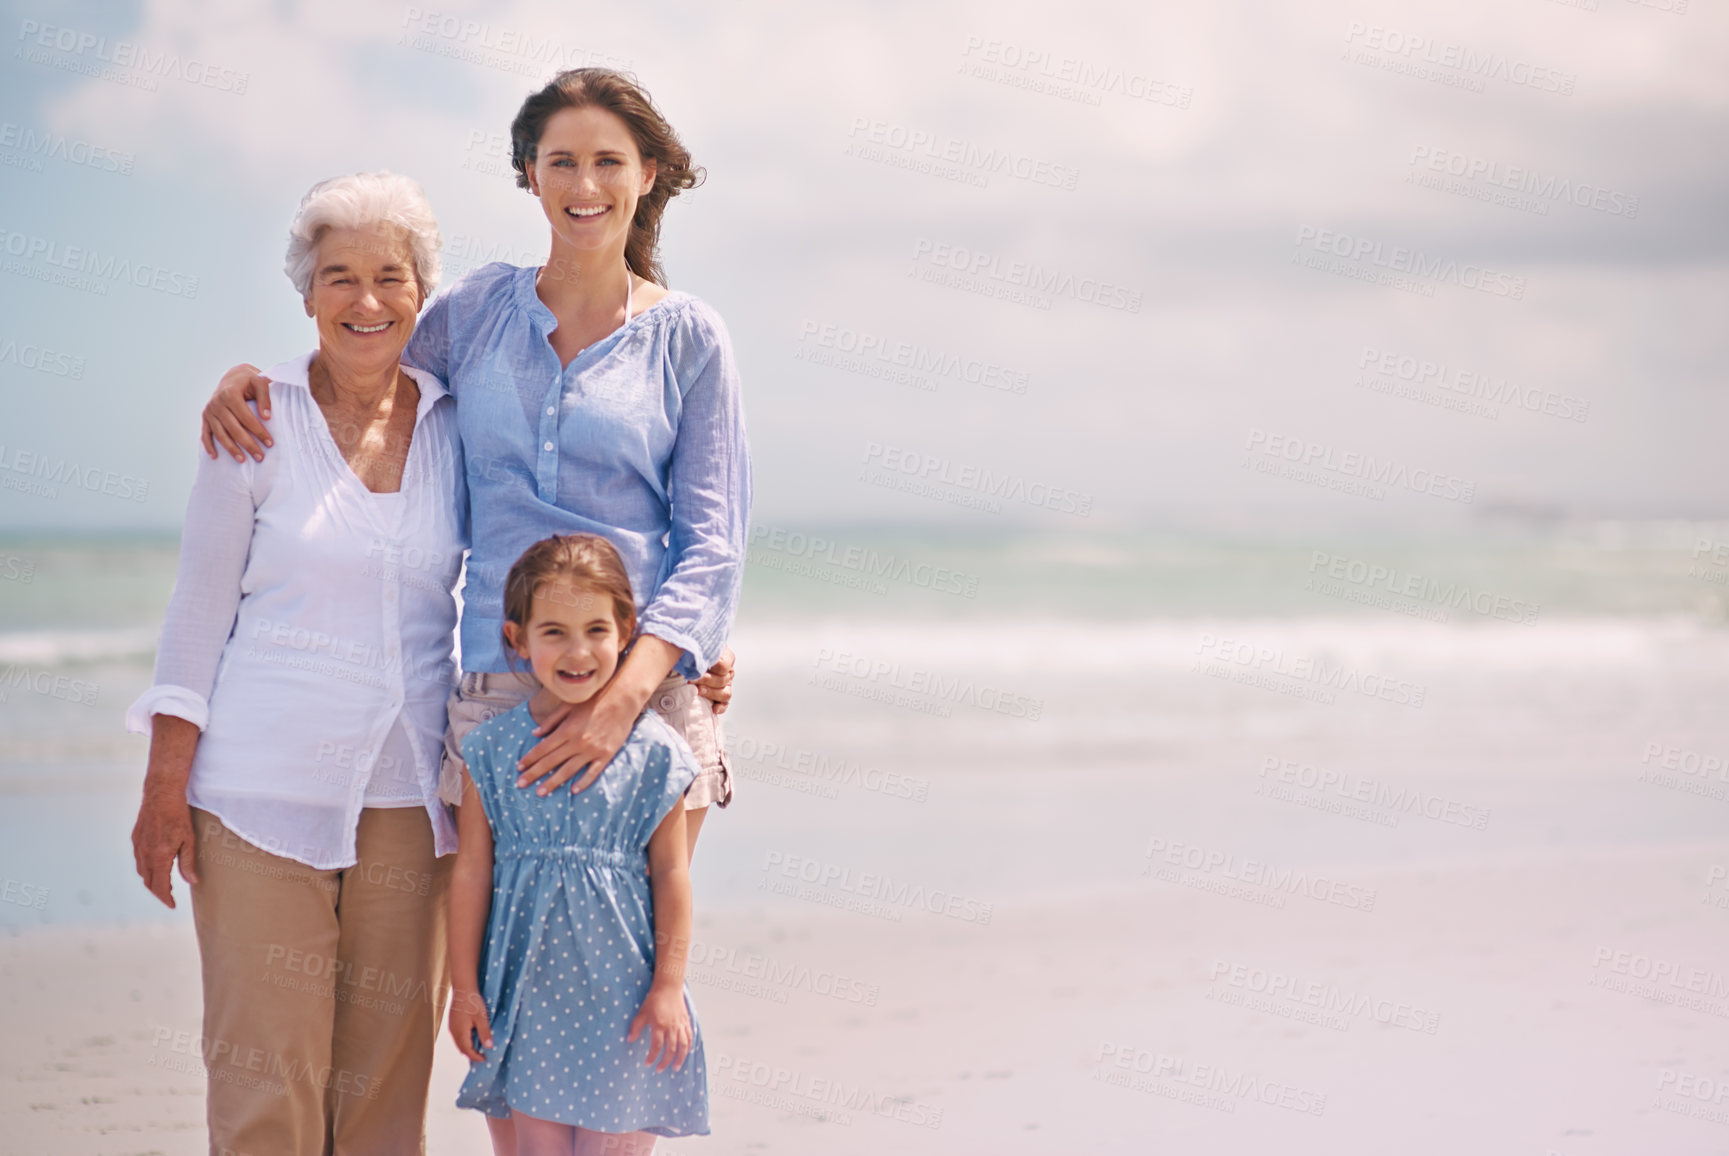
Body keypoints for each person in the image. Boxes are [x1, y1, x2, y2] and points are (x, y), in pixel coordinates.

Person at [198, 68, 751, 855]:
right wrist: (251, 382)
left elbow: (714, 543)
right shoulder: (475, 313)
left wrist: (627, 695)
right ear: (529, 173)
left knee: (636, 953)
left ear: (647, 174)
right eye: (560, 161)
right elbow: (364, 373)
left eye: (607, 161)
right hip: (499, 685)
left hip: (647, 685)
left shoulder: (691, 338)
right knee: (497, 957)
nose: (583, 183)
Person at [127, 171, 463, 1155]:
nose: (366, 301)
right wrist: (163, 790)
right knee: (264, 1086)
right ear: (305, 292)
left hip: (413, 800)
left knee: (384, 1097)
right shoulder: (253, 421)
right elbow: (197, 613)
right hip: (257, 798)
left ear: (421, 291)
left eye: (390, 277)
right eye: (338, 276)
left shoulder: (458, 418)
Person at [448, 534, 708, 1155]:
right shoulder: (489, 753)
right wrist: (464, 988)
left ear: (628, 630)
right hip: (527, 1004)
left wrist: (669, 987)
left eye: (596, 628)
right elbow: (470, 875)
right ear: (517, 639)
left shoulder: (658, 755)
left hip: (627, 1004)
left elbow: (672, 877)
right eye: (554, 632)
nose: (578, 650)